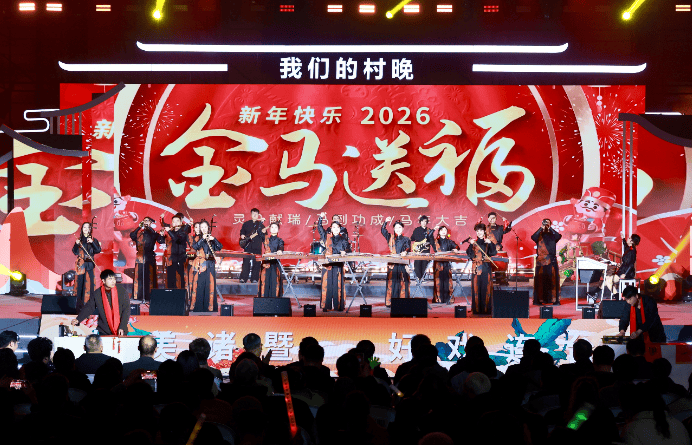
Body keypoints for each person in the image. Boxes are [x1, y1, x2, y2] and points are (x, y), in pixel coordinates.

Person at [72, 269, 131, 335]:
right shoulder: (97, 293)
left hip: (120, 330)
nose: (113, 281)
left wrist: (122, 326)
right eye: (110, 279)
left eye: (114, 279)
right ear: (103, 281)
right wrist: (78, 319)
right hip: (104, 331)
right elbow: (89, 307)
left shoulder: (121, 291)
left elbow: (126, 309)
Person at [590, 233, 641, 300]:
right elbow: (625, 246)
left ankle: (616, 296)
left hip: (627, 273)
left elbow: (631, 264)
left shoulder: (632, 251)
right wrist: (623, 239)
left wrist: (625, 274)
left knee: (608, 281)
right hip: (622, 270)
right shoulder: (629, 249)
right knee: (607, 280)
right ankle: (594, 292)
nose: (628, 239)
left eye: (629, 238)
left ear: (632, 241)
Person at [317, 213, 349, 312]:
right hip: (327, 265)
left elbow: (348, 249)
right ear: (331, 228)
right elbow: (319, 228)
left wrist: (345, 252)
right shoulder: (326, 237)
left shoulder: (343, 239)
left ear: (340, 229)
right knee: (327, 285)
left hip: (338, 265)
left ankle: (338, 305)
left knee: (337, 285)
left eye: (337, 227)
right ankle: (326, 306)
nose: (335, 229)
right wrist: (321, 218)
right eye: (333, 227)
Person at [190, 220, 223, 312]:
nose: (203, 229)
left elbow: (219, 247)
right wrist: (202, 239)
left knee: (210, 284)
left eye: (205, 227)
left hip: (210, 264)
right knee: (199, 285)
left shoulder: (211, 239)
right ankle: (198, 306)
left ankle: (209, 306)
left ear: (208, 228)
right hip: (201, 264)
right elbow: (195, 247)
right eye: (202, 227)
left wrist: (214, 239)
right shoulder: (198, 238)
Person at [130, 216, 163, 302]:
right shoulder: (139, 233)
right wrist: (139, 227)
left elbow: (157, 238)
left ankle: (149, 296)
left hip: (149, 256)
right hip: (140, 256)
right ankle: (138, 295)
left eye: (147, 221)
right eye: (144, 220)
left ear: (151, 223)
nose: (145, 222)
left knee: (150, 276)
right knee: (139, 276)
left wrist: (149, 228)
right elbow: (132, 235)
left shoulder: (153, 232)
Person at [466, 223, 497, 314]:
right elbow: (470, 254)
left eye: (481, 230)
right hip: (476, 268)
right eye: (477, 231)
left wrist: (490, 243)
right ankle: (476, 310)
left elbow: (493, 252)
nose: (479, 232)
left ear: (484, 232)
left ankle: (486, 309)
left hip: (486, 267)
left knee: (486, 287)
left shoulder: (487, 241)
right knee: (476, 287)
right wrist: (471, 245)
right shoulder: (474, 242)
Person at [381, 217, 411, 306]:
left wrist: (405, 252)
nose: (398, 229)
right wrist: (385, 222)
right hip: (393, 264)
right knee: (392, 282)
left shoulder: (406, 239)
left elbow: (408, 248)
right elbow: (383, 231)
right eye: (396, 227)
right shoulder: (390, 238)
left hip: (402, 263)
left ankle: (403, 302)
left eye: (400, 227)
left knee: (403, 282)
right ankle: (391, 302)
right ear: (394, 229)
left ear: (403, 228)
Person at [532, 218, 562, 305]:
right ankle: (539, 300)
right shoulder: (539, 235)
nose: (546, 224)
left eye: (548, 223)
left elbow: (558, 236)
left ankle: (554, 300)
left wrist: (550, 228)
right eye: (544, 223)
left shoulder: (553, 235)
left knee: (553, 280)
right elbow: (533, 237)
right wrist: (541, 227)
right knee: (540, 281)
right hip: (541, 261)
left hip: (551, 260)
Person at [72, 221, 101, 311]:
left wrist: (92, 242)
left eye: (88, 227)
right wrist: (76, 244)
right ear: (82, 229)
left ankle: (90, 305)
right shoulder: (79, 240)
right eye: (84, 227)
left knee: (90, 285)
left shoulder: (93, 239)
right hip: (81, 265)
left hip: (90, 264)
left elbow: (98, 250)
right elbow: (75, 252)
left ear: (90, 229)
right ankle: (79, 306)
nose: (86, 229)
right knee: (80, 284)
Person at [160, 213, 191, 289]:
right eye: (173, 221)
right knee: (170, 279)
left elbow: (177, 239)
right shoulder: (171, 231)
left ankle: (181, 294)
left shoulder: (183, 232)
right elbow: (161, 241)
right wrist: (161, 235)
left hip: (180, 258)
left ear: (181, 222)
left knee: (180, 279)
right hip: (171, 259)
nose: (175, 223)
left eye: (177, 221)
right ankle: (171, 294)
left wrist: (169, 231)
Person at [432, 225, 460, 304]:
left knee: (447, 281)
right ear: (439, 232)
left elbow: (457, 246)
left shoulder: (449, 241)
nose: (444, 231)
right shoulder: (435, 241)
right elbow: (429, 236)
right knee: (438, 281)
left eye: (445, 230)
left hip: (447, 263)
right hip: (438, 263)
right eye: (442, 230)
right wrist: (433, 229)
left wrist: (455, 249)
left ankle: (448, 299)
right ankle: (438, 299)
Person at [257, 221, 285, 298]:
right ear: (269, 229)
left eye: (276, 227)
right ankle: (264, 300)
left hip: (275, 263)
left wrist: (280, 250)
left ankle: (275, 300)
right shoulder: (266, 238)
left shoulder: (280, 240)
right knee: (265, 281)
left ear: (278, 229)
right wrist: (261, 223)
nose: (274, 229)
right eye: (272, 227)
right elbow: (259, 232)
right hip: (266, 263)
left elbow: (281, 246)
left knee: (275, 282)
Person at [239, 208, 266, 283]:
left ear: (258, 215)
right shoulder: (246, 224)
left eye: (256, 214)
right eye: (253, 214)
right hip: (248, 246)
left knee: (257, 263)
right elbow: (242, 232)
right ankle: (243, 278)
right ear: (251, 215)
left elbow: (264, 237)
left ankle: (254, 278)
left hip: (257, 246)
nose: (255, 215)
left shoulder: (261, 225)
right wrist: (242, 235)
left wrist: (264, 233)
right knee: (246, 262)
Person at [484, 212, 512, 285]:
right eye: (490, 218)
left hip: (497, 248)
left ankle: (500, 280)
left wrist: (506, 222)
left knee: (499, 265)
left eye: (493, 218)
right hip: (488, 249)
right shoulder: (485, 228)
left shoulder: (500, 228)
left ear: (496, 219)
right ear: (488, 219)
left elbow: (507, 229)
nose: (492, 219)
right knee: (487, 266)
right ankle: (487, 280)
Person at [410, 215, 436, 280]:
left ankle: (422, 279)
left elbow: (432, 241)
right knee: (417, 264)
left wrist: (436, 250)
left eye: (425, 221)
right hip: (418, 250)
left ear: (427, 222)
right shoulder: (416, 230)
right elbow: (412, 238)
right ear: (420, 222)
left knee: (424, 265)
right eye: (422, 221)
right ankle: (418, 279)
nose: (424, 223)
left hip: (426, 250)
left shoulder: (429, 230)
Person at [186, 221, 202, 304]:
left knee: (200, 282)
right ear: (194, 228)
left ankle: (199, 299)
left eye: (199, 227)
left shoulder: (205, 238)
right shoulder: (190, 237)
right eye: (196, 227)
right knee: (191, 281)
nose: (198, 229)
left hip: (201, 262)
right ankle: (191, 299)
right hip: (192, 261)